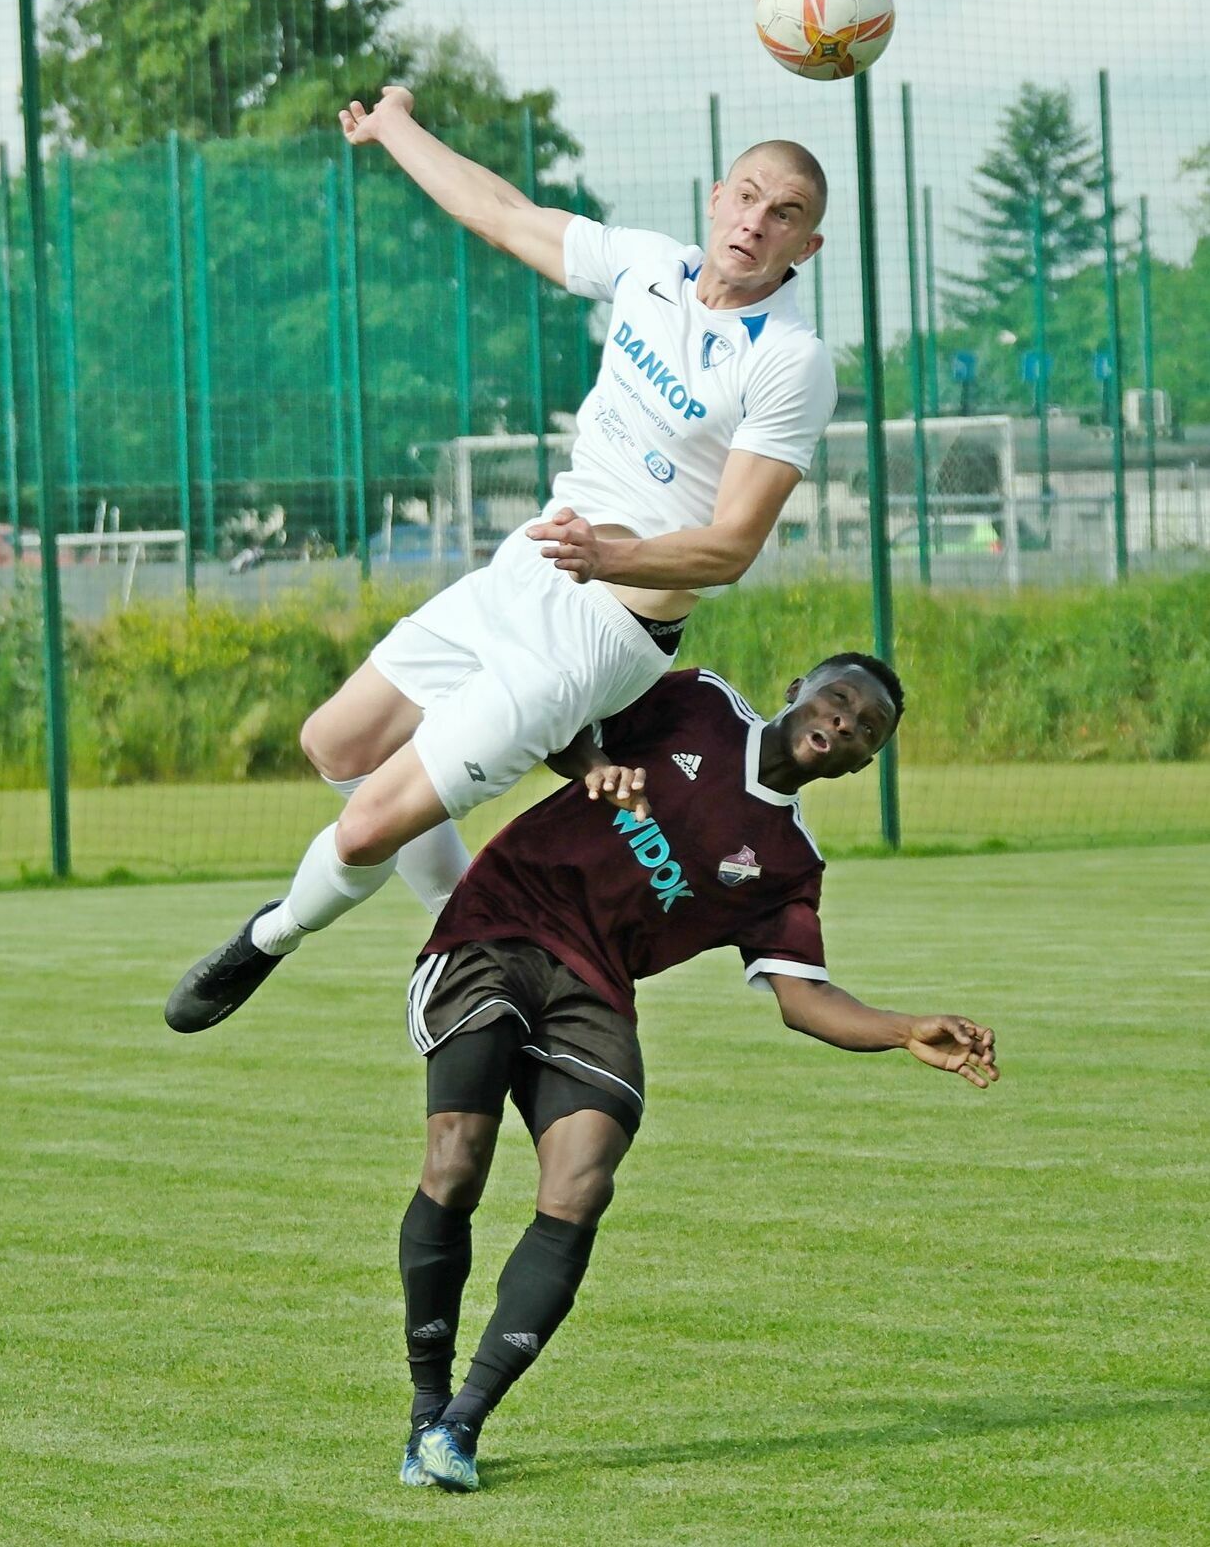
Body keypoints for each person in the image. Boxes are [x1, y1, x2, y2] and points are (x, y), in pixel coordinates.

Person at [166, 84, 838, 1035]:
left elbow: (731, 546)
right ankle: (464, 922)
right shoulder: (650, 266)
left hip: (605, 629)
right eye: (749, 196)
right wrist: (393, 124)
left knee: (361, 831)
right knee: (337, 744)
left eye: (787, 215)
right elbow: (500, 212)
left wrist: (616, 553)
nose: (757, 221)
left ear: (804, 249)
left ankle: (269, 936)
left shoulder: (792, 362)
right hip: (531, 566)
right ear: (718, 196)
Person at [387, 653, 999, 1492]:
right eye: (838, 697)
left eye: (869, 727)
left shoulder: (788, 862)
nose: (848, 720)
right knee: (457, 1160)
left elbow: (801, 996)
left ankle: (459, 1426)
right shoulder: (698, 705)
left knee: (582, 1179)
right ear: (798, 692)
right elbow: (554, 723)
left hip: (596, 985)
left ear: (863, 762)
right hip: (499, 924)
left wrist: (903, 1029)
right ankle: (425, 1399)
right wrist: (598, 769)